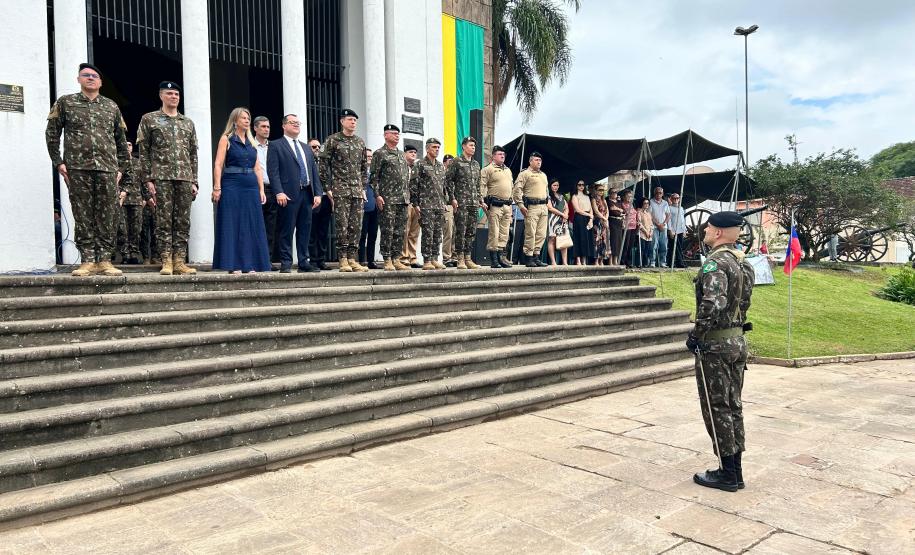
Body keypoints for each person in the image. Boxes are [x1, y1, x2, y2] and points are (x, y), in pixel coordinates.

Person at [687, 210, 755, 492]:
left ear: (717, 233)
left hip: (716, 345)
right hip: (737, 341)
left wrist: (697, 334)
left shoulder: (715, 264)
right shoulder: (742, 264)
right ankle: (735, 470)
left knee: (717, 408)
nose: (704, 233)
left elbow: (713, 302)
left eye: (707, 230)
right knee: (733, 405)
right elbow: (745, 301)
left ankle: (727, 473)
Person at [45, 62, 130, 276]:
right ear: (79, 79)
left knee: (108, 214)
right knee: (82, 213)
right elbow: (52, 134)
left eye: (94, 76)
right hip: (77, 168)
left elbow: (121, 141)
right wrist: (59, 162)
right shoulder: (66, 103)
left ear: (100, 82)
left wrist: (121, 168)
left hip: (107, 169)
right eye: (86, 75)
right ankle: (87, 259)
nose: (90, 78)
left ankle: (104, 260)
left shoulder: (111, 106)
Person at [136, 81, 199, 275]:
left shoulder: (187, 122)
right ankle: (166, 261)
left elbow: (192, 154)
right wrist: (147, 179)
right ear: (161, 95)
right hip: (161, 178)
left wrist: (194, 180)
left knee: (182, 221)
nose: (174, 97)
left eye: (176, 94)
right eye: (170, 93)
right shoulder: (150, 119)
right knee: (163, 221)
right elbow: (143, 151)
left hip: (184, 178)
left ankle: (179, 260)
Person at [212, 107, 271, 273]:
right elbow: (218, 164)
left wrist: (261, 190)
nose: (247, 120)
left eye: (248, 118)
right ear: (235, 120)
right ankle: (234, 264)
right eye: (243, 118)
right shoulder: (227, 138)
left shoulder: (252, 142)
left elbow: (257, 168)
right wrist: (217, 187)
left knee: (251, 224)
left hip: (251, 186)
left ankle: (250, 264)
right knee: (233, 223)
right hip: (232, 184)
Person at [266, 113, 323, 273]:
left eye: (298, 123)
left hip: (307, 194)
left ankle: (304, 262)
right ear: (284, 126)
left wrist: (318, 193)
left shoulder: (306, 147)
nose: (296, 125)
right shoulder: (276, 145)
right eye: (292, 123)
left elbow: (313, 172)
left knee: (305, 229)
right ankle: (286, 262)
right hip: (288, 194)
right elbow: (273, 171)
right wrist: (278, 192)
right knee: (287, 229)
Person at [319, 108, 369, 272]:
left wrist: (362, 187)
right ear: (342, 121)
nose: (353, 122)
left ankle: (353, 259)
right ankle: (342, 259)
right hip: (340, 189)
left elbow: (363, 167)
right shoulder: (333, 140)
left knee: (356, 226)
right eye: (349, 119)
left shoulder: (360, 142)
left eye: (355, 120)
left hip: (356, 191)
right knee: (342, 225)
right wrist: (328, 187)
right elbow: (323, 164)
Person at [371, 125, 411, 271]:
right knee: (388, 230)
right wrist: (377, 195)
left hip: (402, 199)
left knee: (400, 231)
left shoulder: (401, 154)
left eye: (398, 134)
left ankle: (396, 258)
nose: (397, 136)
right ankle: (387, 258)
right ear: (385, 135)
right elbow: (374, 177)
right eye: (393, 133)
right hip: (388, 199)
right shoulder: (379, 153)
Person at [445, 136, 483, 270]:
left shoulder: (476, 164)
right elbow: (448, 181)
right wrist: (452, 198)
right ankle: (459, 258)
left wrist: (480, 199)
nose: (473, 148)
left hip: (473, 203)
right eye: (470, 145)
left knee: (471, 231)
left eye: (474, 146)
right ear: (463, 146)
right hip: (461, 203)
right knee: (460, 231)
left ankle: (468, 257)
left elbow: (477, 184)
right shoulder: (456, 162)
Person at [410, 138, 447, 270]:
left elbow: (444, 186)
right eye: (434, 147)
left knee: (437, 233)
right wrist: (415, 203)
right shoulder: (420, 164)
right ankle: (426, 260)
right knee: (428, 233)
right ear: (427, 149)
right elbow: (413, 184)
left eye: (438, 147)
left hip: (439, 204)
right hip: (426, 205)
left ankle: (434, 258)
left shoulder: (440, 166)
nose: (437, 150)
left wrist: (444, 201)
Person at [513, 152, 550, 267]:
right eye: (536, 160)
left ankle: (536, 256)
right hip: (532, 207)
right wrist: (521, 205)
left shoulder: (543, 175)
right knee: (531, 233)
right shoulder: (525, 173)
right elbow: (517, 190)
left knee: (542, 234)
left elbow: (546, 190)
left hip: (543, 207)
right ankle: (528, 257)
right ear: (530, 161)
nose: (539, 162)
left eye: (540, 160)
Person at [480, 145, 514, 268]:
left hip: (507, 205)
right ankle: (494, 260)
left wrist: (511, 208)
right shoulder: (487, 169)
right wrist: (482, 201)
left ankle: (501, 258)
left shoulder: (508, 170)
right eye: (500, 154)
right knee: (494, 232)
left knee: (504, 233)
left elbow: (512, 188)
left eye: (503, 154)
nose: (502, 156)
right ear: (493, 156)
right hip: (495, 205)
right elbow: (482, 186)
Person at [253, 116, 279, 263]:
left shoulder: (274, 146)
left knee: (271, 227)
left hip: (273, 189)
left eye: (268, 127)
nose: (266, 129)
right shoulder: (250, 145)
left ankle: (266, 260)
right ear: (255, 128)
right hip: (256, 189)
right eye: (263, 126)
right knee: (256, 226)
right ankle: (254, 260)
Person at [117, 141, 144, 264]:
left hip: (137, 199)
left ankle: (134, 253)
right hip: (121, 199)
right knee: (123, 229)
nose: (128, 147)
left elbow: (143, 181)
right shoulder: (116, 162)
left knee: (136, 229)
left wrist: (146, 198)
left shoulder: (138, 162)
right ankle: (125, 254)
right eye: (125, 144)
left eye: (130, 144)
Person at [307, 138, 332, 270]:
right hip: (312, 199)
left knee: (323, 231)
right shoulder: (306, 162)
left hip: (326, 199)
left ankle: (321, 259)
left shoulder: (325, 163)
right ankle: (312, 259)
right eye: (313, 147)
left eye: (318, 147)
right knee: (312, 231)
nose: (317, 149)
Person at [399, 145, 421, 267]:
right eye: (410, 152)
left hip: (416, 203)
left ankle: (413, 257)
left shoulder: (417, 168)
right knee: (405, 231)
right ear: (405, 153)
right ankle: (404, 256)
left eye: (415, 152)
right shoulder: (401, 166)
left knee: (414, 232)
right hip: (405, 202)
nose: (413, 154)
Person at [358, 148, 379, 269]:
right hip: (363, 207)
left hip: (375, 207)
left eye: (371, 156)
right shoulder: (360, 172)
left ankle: (371, 260)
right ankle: (361, 260)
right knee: (362, 236)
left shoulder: (375, 172)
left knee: (373, 235)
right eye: (367, 156)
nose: (369, 159)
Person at [571, 181, 594, 265]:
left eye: (583, 185)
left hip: (587, 217)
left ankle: (584, 260)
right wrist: (589, 215)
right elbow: (577, 209)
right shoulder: (574, 196)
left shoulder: (587, 196)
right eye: (579, 185)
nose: (581, 186)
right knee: (579, 238)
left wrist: (591, 218)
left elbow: (591, 208)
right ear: (576, 186)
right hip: (579, 217)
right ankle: (578, 260)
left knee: (587, 239)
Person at [546, 180, 569, 266]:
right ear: (550, 186)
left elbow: (566, 207)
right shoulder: (548, 196)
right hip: (553, 219)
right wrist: (562, 214)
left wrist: (565, 215)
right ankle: (553, 261)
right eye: (554, 185)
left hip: (562, 220)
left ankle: (564, 262)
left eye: (557, 185)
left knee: (563, 239)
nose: (556, 187)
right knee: (552, 239)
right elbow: (550, 208)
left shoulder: (561, 196)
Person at [649, 186, 671, 267]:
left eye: (660, 193)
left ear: (662, 194)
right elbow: (650, 215)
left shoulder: (665, 203)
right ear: (654, 193)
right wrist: (658, 224)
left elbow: (668, 215)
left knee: (664, 245)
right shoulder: (651, 202)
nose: (658, 194)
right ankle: (652, 262)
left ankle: (663, 262)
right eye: (657, 192)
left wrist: (664, 224)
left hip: (663, 227)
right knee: (653, 245)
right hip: (654, 227)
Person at [441, 154, 457, 266]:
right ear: (444, 162)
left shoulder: (456, 175)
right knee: (448, 232)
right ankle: (446, 257)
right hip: (447, 205)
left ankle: (455, 256)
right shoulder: (442, 174)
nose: (451, 163)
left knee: (456, 232)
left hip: (457, 205)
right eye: (449, 161)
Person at [591, 183, 609, 266]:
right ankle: (596, 261)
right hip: (597, 222)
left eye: (602, 190)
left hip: (604, 222)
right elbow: (596, 211)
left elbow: (607, 211)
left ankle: (602, 260)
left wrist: (606, 219)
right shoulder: (594, 200)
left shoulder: (604, 200)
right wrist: (604, 219)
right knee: (597, 241)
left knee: (604, 241)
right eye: (600, 190)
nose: (601, 192)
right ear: (596, 191)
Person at [667, 192, 687, 268]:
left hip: (680, 230)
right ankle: (670, 263)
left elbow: (683, 220)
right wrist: (670, 230)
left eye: (677, 198)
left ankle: (679, 262)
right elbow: (668, 220)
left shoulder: (681, 208)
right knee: (672, 247)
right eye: (674, 198)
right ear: (671, 199)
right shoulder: (669, 208)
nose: (676, 199)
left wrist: (684, 230)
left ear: (679, 199)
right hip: (673, 230)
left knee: (680, 247)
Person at [621, 189, 638, 268]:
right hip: (626, 227)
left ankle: (628, 261)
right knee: (626, 245)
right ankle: (623, 261)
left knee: (630, 245)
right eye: (628, 196)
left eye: (630, 196)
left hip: (633, 227)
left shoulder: (632, 204)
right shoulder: (622, 204)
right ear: (624, 197)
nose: (629, 198)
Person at [607, 188, 624, 266]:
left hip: (619, 222)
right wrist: (619, 210)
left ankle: (615, 260)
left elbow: (624, 211)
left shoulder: (619, 202)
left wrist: (617, 209)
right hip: (612, 222)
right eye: (613, 192)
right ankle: (610, 261)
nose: (615, 194)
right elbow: (612, 210)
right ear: (610, 193)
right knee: (613, 241)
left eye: (616, 192)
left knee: (618, 242)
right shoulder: (608, 201)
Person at [637, 198, 654, 268]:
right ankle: (639, 263)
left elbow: (651, 224)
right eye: (645, 203)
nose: (646, 204)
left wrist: (651, 232)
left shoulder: (648, 213)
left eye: (648, 203)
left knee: (647, 250)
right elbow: (639, 223)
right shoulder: (639, 212)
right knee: (642, 249)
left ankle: (645, 263)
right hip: (642, 234)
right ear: (642, 204)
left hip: (649, 235)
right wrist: (646, 232)